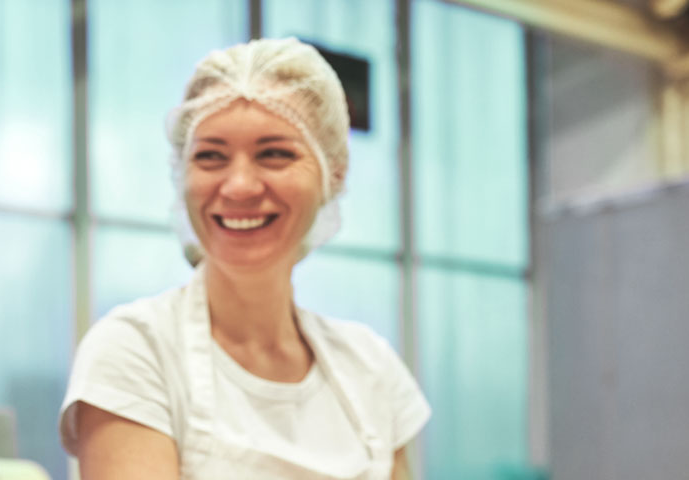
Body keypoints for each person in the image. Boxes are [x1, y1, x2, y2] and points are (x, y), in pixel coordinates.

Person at [59, 38, 430, 479]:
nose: (239, 187)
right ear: (181, 172)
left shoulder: (371, 368)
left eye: (274, 153)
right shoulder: (135, 350)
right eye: (211, 156)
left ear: (333, 172)